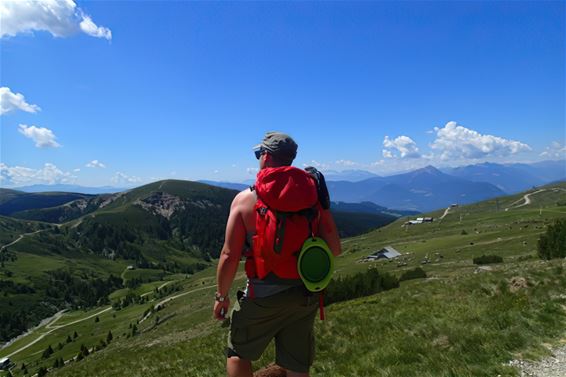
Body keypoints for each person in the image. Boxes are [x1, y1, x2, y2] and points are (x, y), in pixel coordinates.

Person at [213, 132, 341, 377]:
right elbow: (334, 248)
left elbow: (229, 255)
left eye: (258, 154)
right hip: (305, 294)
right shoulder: (313, 194)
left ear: (265, 156)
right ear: (291, 159)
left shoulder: (244, 200)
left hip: (262, 294)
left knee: (238, 352)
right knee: (296, 363)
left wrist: (221, 296)